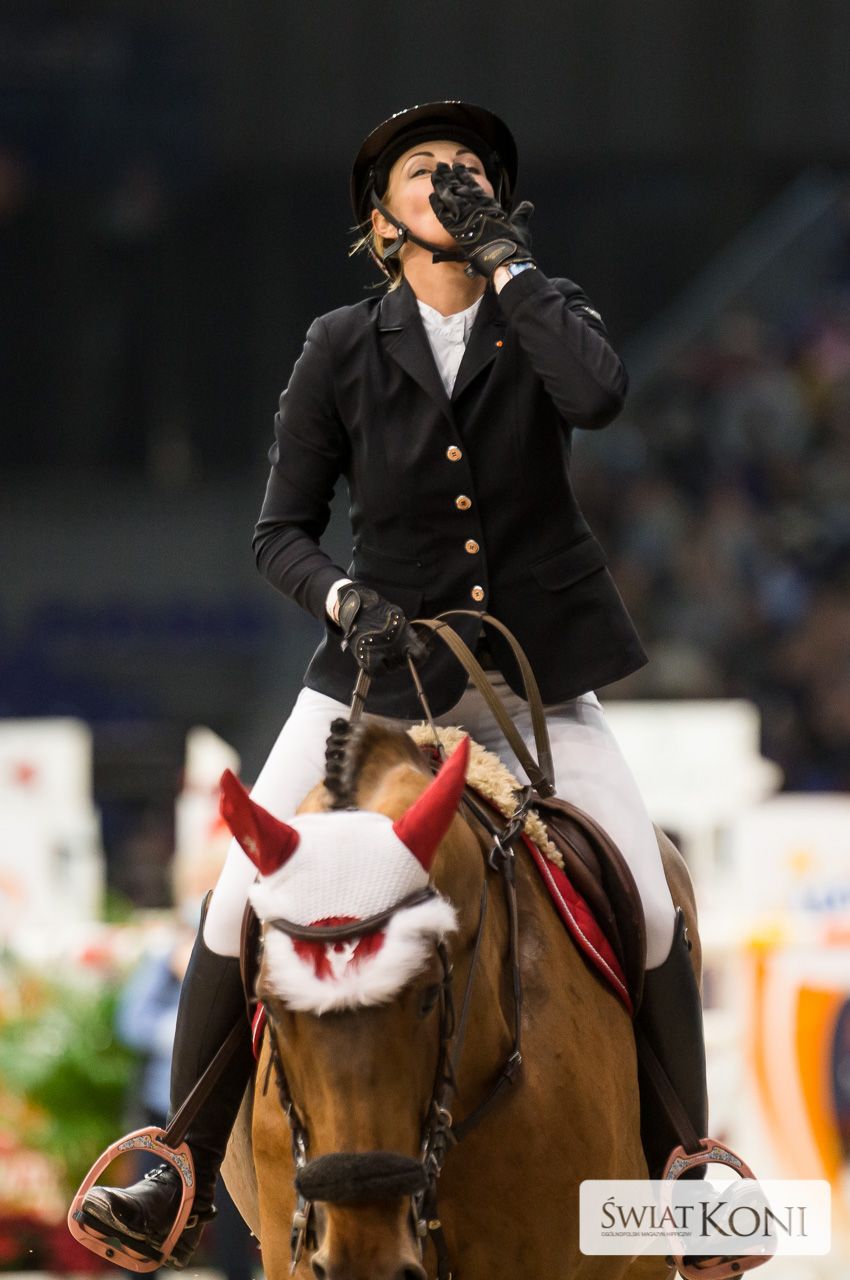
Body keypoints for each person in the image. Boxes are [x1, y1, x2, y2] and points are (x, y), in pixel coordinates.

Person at [81, 100, 713, 1266]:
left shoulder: (544, 313)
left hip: (532, 688)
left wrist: (509, 262)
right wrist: (343, 598)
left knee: (653, 894)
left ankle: (689, 1177)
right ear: (381, 224)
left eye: (473, 168)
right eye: (428, 169)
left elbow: (597, 396)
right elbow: (279, 532)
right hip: (371, 680)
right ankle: (178, 1163)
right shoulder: (339, 343)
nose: (454, 177)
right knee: (234, 895)